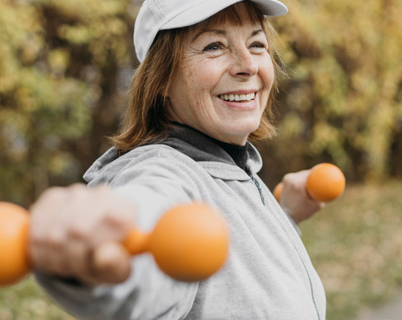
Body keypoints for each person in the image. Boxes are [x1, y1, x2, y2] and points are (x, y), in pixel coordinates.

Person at [30, 0, 327, 319]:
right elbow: (148, 235)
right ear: (161, 80)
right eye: (214, 46)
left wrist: (284, 218)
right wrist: (99, 262)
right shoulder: (163, 174)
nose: (248, 65)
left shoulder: (230, 165)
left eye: (257, 44)